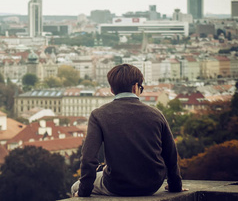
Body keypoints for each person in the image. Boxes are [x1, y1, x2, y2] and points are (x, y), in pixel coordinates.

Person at [71, 64, 186, 197]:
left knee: (75, 187)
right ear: (136, 87)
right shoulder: (156, 114)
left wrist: (84, 192)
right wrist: (175, 185)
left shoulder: (99, 114)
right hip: (153, 183)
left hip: (117, 185)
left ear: (112, 90)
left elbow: (88, 158)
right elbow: (170, 153)